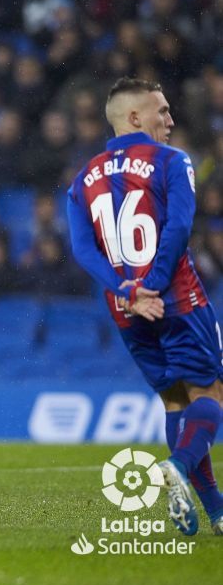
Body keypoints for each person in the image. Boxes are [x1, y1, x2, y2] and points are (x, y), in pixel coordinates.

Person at [67, 77, 223, 536]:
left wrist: (126, 290)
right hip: (174, 295)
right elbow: (178, 227)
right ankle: (177, 466)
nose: (171, 120)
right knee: (212, 395)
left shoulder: (83, 177)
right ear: (135, 117)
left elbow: (82, 249)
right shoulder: (172, 160)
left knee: (174, 401)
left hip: (124, 307)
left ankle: (215, 510)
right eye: (162, 111)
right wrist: (150, 286)